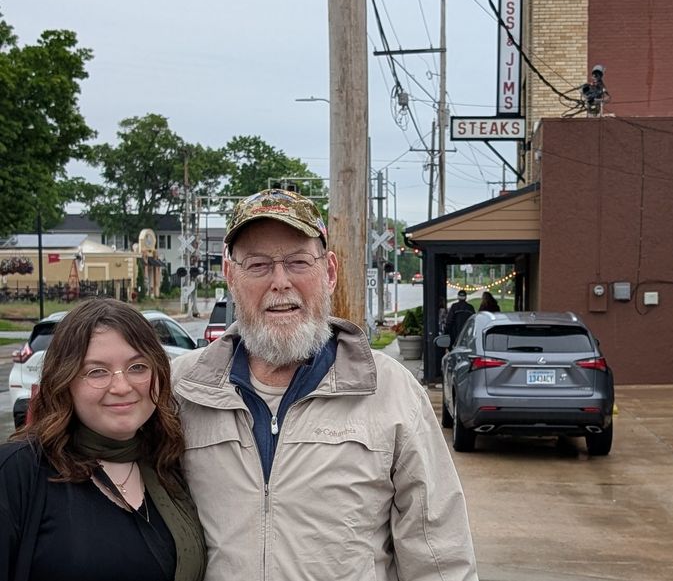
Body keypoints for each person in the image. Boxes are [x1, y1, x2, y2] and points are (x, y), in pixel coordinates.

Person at [172, 188, 478, 581]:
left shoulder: (390, 391)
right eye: (258, 265)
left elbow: (439, 554)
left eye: (298, 262)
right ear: (231, 276)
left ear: (329, 272)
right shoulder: (184, 388)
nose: (280, 282)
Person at [0, 299, 206, 581]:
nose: (121, 387)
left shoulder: (168, 464)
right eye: (97, 371)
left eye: (138, 367)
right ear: (64, 381)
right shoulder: (20, 471)